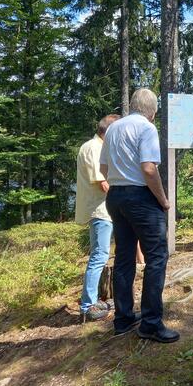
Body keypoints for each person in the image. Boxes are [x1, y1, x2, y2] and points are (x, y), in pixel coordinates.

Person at [99, 88, 179, 343]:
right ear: (152, 111)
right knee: (157, 257)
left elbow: (103, 167)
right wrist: (163, 200)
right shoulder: (146, 128)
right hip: (140, 197)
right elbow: (148, 168)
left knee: (124, 257)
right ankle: (151, 324)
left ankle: (123, 319)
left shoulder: (113, 128)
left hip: (115, 197)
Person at [75, 114, 120, 322]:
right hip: (100, 210)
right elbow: (102, 182)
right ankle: (87, 306)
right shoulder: (95, 147)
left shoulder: (92, 145)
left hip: (98, 209)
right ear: (109, 131)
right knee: (99, 256)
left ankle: (91, 301)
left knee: (99, 255)